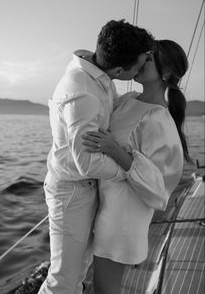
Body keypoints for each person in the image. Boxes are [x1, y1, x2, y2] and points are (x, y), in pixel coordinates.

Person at [37, 19, 155, 294]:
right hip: (72, 192)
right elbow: (87, 162)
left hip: (87, 188)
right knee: (63, 281)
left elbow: (113, 111)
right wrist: (127, 169)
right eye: (138, 65)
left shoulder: (98, 76)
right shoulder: (83, 92)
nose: (141, 69)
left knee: (78, 272)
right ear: (118, 69)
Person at [82, 39, 192, 294]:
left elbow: (158, 189)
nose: (141, 60)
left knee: (104, 291)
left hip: (123, 219)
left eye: (149, 58)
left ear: (164, 73)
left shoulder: (158, 119)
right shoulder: (129, 99)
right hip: (104, 207)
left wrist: (113, 149)